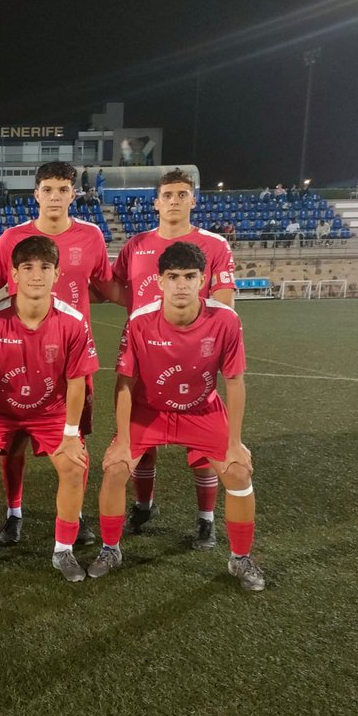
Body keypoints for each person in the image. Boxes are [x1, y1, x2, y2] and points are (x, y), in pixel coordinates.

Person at [88, 241, 264, 592]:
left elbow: (235, 382)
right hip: (149, 411)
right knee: (115, 467)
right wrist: (122, 441)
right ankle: (110, 549)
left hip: (202, 409)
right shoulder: (140, 321)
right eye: (173, 277)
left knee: (239, 471)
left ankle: (240, 557)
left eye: (190, 276)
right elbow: (123, 385)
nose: (181, 284)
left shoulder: (225, 320)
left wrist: (235, 442)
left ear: (203, 279)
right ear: (159, 281)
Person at [0, 161, 115, 547]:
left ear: (74, 194)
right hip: (17, 353)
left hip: (71, 356)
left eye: (63, 189)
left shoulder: (92, 237)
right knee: (14, 441)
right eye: (48, 189)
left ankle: (77, 516)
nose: (55, 196)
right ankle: (13, 513)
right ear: (36, 194)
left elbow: (106, 286)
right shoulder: (11, 239)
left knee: (76, 439)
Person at [108, 168, 236, 549]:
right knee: (142, 434)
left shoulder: (214, 245)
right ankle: (143, 505)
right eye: (168, 195)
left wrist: (203, 340)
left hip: (195, 357)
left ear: (193, 200)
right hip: (146, 352)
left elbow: (224, 300)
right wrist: (140, 315)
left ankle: (206, 520)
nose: (175, 201)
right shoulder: (136, 245)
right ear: (156, 201)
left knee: (202, 443)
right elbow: (116, 286)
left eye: (182, 194)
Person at [0, 235, 99, 584]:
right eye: (27, 268)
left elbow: (76, 382)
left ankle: (63, 550)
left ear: (57, 274)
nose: (36, 275)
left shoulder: (72, 321)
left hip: (50, 413)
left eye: (45, 268)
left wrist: (71, 435)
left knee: (73, 465)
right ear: (14, 274)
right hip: (0, 413)